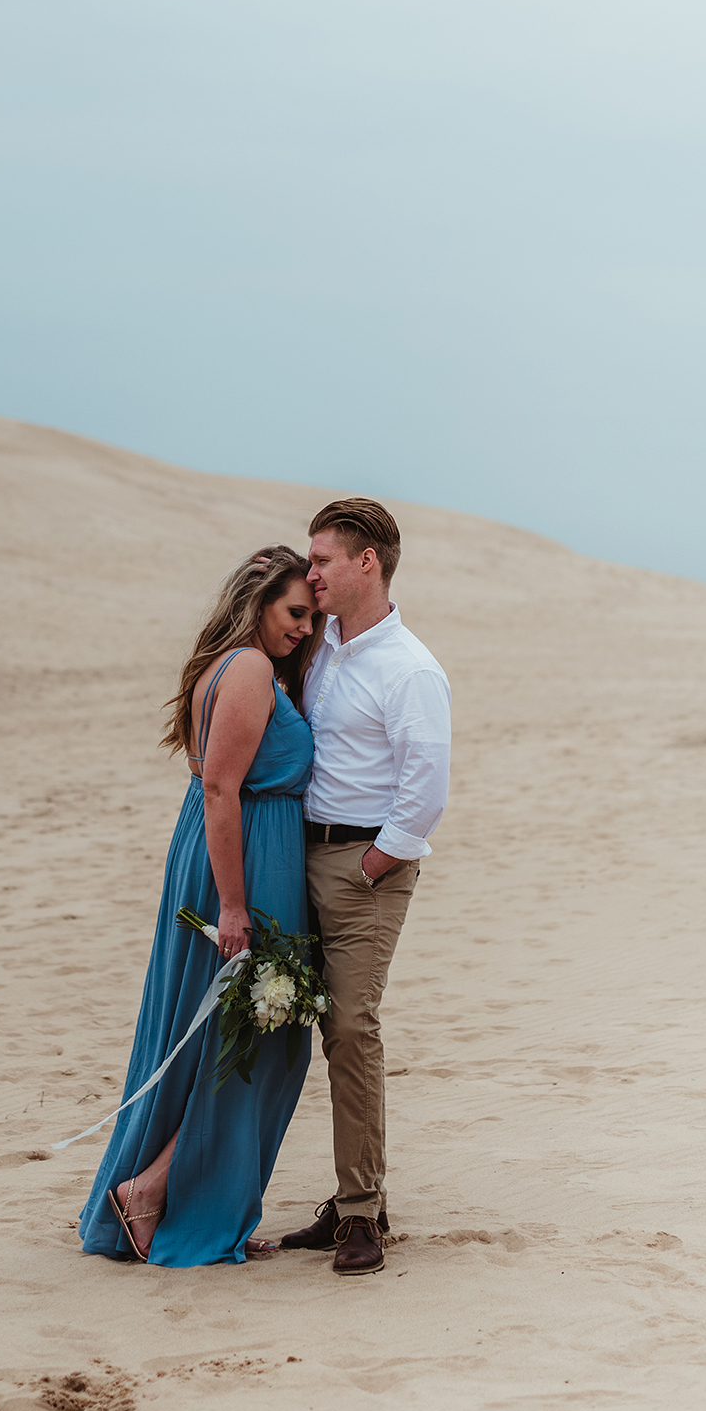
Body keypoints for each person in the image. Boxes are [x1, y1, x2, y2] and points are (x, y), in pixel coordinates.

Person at [79, 546, 323, 1267]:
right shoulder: (247, 668)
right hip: (242, 862)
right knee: (255, 1039)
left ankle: (168, 1191)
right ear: (257, 602)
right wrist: (237, 903)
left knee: (232, 1033)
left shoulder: (228, 664)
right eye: (294, 613)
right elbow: (221, 789)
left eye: (311, 616)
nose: (304, 628)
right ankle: (155, 1191)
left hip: (228, 854)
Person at [278, 498, 451, 1276]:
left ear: (365, 563)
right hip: (296, 858)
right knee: (296, 1028)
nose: (310, 572)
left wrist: (372, 865)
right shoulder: (323, 649)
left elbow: (425, 789)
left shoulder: (410, 666)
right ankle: (354, 1197)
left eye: (321, 559)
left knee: (351, 1026)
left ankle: (359, 1215)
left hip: (363, 870)